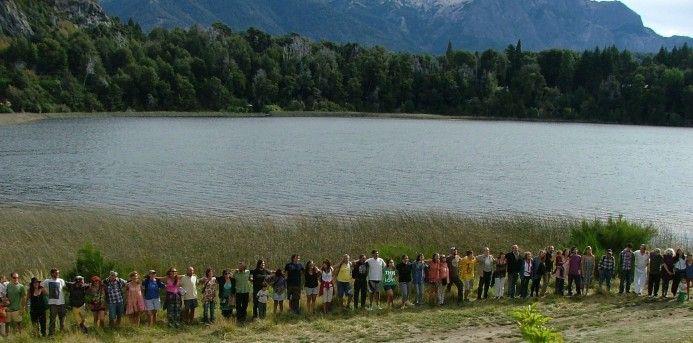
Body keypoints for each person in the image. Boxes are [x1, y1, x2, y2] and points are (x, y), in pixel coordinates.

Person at [42, 268, 66, 335]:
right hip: (53, 304)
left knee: (62, 319)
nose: (57, 274)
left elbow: (65, 287)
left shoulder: (61, 280)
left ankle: (62, 334)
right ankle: (51, 334)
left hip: (61, 303)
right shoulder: (47, 281)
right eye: (56, 273)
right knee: (52, 320)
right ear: (52, 273)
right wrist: (46, 293)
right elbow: (40, 286)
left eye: (58, 273)